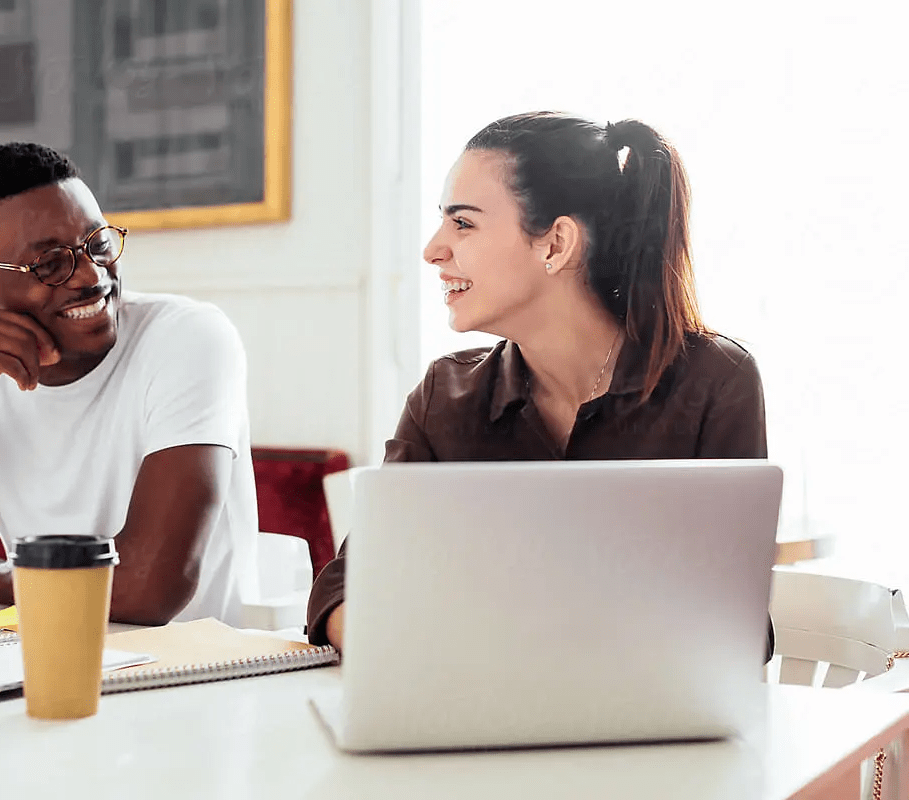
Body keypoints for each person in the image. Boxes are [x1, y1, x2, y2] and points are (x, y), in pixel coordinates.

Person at [308, 112, 771, 654]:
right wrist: (399, 648)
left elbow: (737, 622)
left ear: (555, 244)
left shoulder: (715, 382)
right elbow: (347, 583)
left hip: (653, 722)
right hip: (477, 713)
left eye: (463, 223)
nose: (433, 249)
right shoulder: (444, 398)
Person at [0, 142, 258, 626]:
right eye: (51, 263)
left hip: (197, 675)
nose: (92, 276)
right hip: (38, 658)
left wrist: (5, 581)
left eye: (97, 244)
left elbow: (151, 586)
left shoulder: (188, 337)